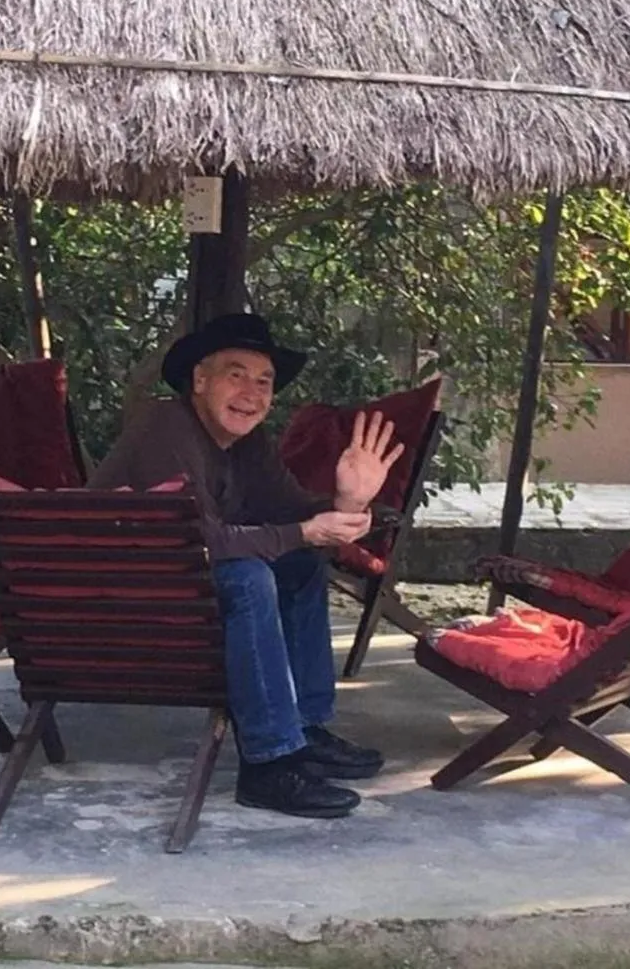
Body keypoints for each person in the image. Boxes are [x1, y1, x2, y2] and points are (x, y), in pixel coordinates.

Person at [88, 312, 404, 819]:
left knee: (298, 565)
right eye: (236, 374)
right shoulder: (165, 425)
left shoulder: (245, 444)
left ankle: (303, 727)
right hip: (122, 611)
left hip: (176, 591)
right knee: (247, 577)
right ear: (199, 380)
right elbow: (196, 540)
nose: (252, 393)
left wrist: (346, 501)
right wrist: (304, 531)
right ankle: (269, 765)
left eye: (264, 382)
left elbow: (290, 511)